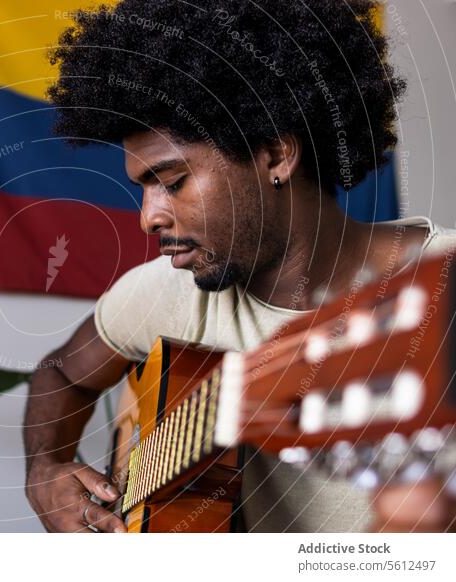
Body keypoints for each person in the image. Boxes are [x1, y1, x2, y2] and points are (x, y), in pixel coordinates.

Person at [23, 0, 456, 532]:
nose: (147, 219)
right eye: (143, 187)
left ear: (275, 155)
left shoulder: (441, 293)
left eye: (173, 181)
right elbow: (61, 373)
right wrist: (45, 469)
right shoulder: (164, 295)